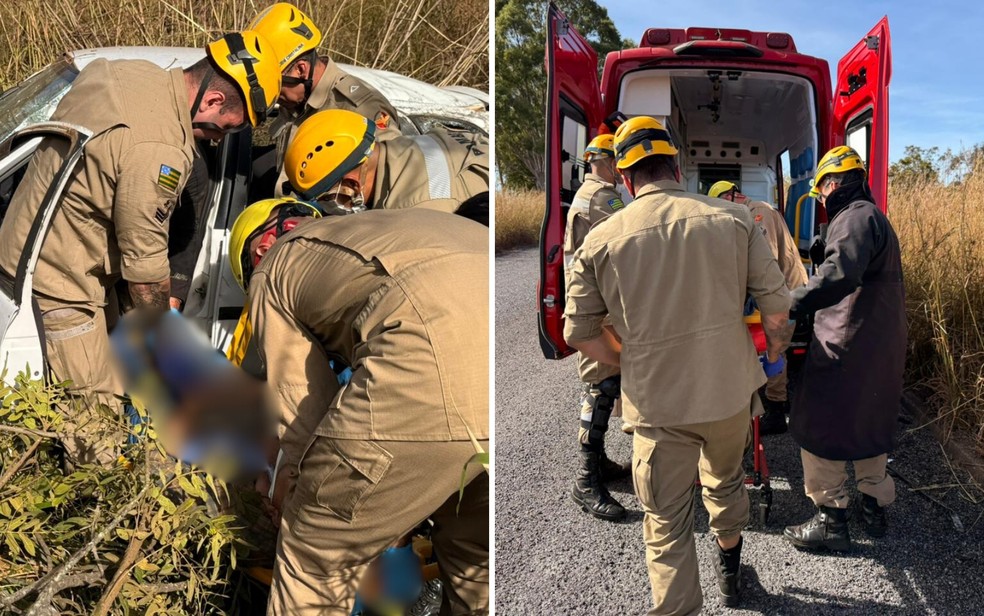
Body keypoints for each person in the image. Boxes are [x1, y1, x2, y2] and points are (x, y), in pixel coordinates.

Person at [0, 31, 280, 464]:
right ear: (212, 101)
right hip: (61, 279)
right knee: (94, 416)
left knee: (119, 367)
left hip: (38, 243)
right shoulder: (159, 151)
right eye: (223, 128)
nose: (216, 140)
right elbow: (146, 268)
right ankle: (102, 490)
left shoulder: (126, 72)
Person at [564, 116, 793, 613]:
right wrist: (774, 357)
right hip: (728, 394)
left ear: (626, 178)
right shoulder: (735, 220)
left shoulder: (601, 239)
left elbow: (577, 332)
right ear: (675, 165)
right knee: (726, 484)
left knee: (666, 522)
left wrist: (628, 360)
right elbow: (777, 310)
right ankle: (730, 574)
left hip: (657, 404)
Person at [227, 198, 489, 615]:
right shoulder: (386, 226)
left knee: (314, 560)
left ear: (259, 250)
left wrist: (298, 499)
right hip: (494, 378)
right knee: (474, 560)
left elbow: (300, 410)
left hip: (425, 370)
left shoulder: (272, 269)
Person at [783, 146, 906, 551]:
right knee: (870, 419)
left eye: (821, 192)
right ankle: (874, 508)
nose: (821, 200)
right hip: (879, 345)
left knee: (821, 421)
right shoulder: (874, 217)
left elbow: (840, 275)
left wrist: (791, 302)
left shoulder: (854, 217)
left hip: (847, 342)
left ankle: (831, 519)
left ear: (832, 184)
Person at [247, 3, 402, 197]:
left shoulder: (361, 107)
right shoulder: (297, 100)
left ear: (301, 70)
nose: (273, 96)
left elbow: (393, 181)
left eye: (275, 86)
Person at [563, 134, 631, 522]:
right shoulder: (604, 197)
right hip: (599, 300)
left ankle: (599, 463)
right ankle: (586, 481)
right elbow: (627, 240)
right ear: (603, 161)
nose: (619, 169)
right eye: (615, 161)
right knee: (601, 385)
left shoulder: (587, 194)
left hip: (594, 294)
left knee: (605, 381)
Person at [708, 180, 809, 434]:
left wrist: (744, 297)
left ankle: (776, 411)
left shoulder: (758, 212)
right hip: (779, 290)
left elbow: (764, 262)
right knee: (772, 349)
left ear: (729, 197)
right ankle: (773, 401)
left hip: (784, 293)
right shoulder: (752, 212)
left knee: (775, 347)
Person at [283, 108, 489, 225]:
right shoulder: (400, 146)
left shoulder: (417, 215)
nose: (325, 208)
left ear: (352, 185)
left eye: (326, 200)